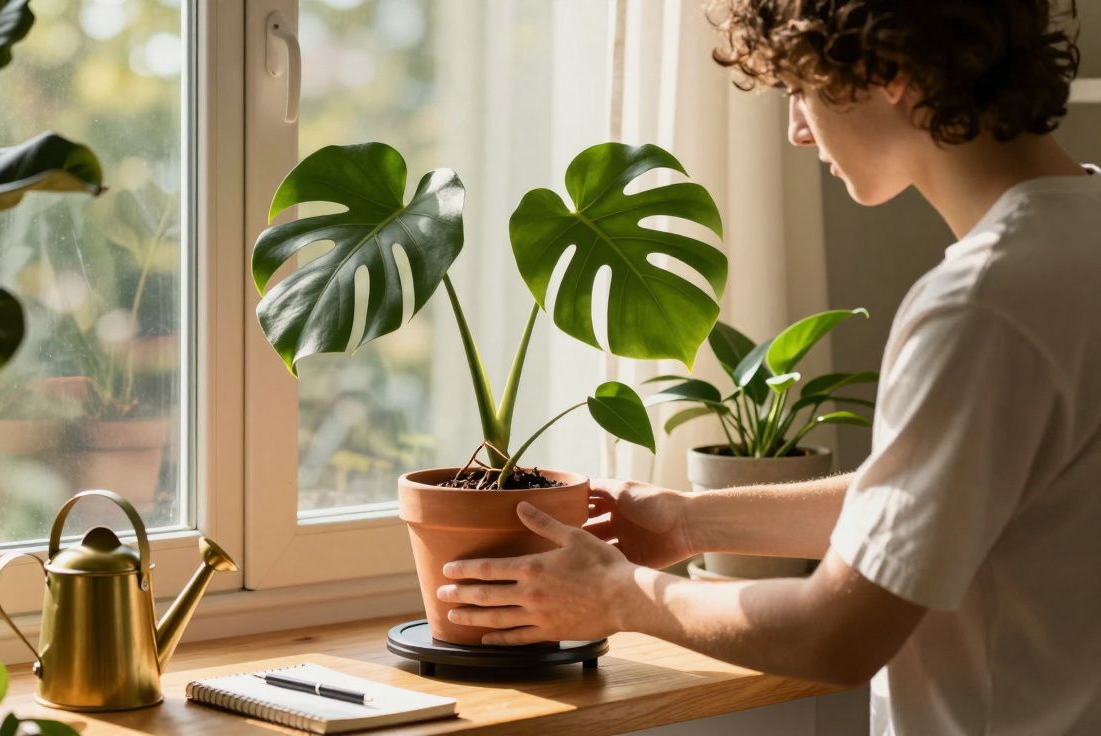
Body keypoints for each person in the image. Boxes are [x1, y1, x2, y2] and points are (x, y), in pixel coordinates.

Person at [436, 1, 1100, 733]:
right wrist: (690, 523)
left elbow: (837, 635)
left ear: (891, 74)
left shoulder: (982, 307)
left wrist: (621, 597)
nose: (796, 129)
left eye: (801, 88)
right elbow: (936, 501)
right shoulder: (1075, 239)